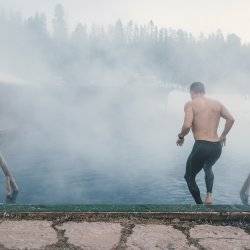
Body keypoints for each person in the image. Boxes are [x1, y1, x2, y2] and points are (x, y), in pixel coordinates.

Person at [177, 82, 235, 205]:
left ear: (192, 92)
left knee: (189, 177)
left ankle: (199, 205)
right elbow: (231, 119)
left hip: (201, 145)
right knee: (208, 167)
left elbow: (187, 125)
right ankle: (209, 196)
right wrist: (223, 135)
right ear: (203, 91)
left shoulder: (191, 104)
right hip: (216, 146)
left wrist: (181, 137)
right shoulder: (217, 103)